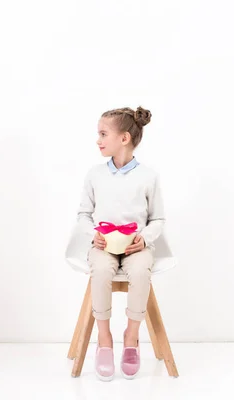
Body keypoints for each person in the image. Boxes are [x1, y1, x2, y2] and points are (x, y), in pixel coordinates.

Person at [77, 106, 164, 381]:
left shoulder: (148, 176)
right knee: (101, 271)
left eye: (103, 134)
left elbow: (158, 219)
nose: (98, 140)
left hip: (135, 246)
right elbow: (83, 215)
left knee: (139, 272)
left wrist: (144, 238)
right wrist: (94, 235)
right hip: (103, 245)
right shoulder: (95, 174)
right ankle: (104, 339)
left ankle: (131, 335)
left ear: (124, 138)